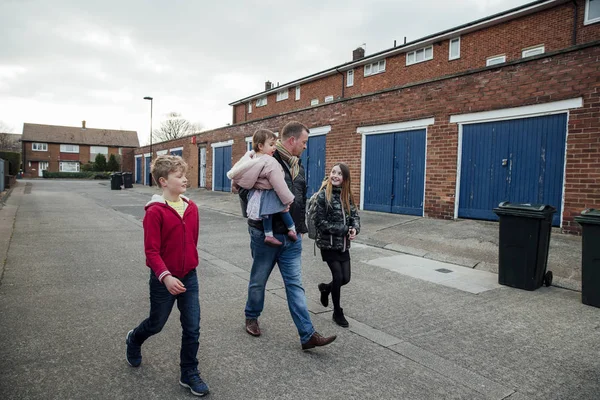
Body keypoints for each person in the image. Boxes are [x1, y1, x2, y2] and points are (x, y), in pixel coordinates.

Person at [240, 121, 337, 350]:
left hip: (292, 237)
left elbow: (300, 199)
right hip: (265, 235)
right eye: (304, 142)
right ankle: (251, 316)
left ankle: (307, 334)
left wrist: (301, 228)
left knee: (295, 285)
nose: (305, 147)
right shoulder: (265, 160)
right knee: (258, 281)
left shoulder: (298, 166)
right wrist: (257, 218)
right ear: (292, 140)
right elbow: (243, 189)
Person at [125, 155, 209, 397]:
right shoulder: (155, 212)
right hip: (164, 280)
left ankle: (189, 372)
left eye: (184, 175)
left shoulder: (192, 208)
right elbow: (151, 251)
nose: (185, 179)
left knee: (192, 327)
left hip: (189, 278)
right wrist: (165, 276)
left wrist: (189, 265)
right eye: (179, 176)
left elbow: (192, 241)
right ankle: (134, 339)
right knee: (157, 323)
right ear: (163, 181)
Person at [227, 129, 297, 247]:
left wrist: (235, 186)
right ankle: (292, 229)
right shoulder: (269, 161)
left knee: (266, 214)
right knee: (284, 210)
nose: (274, 148)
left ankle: (268, 235)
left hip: (255, 195)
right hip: (270, 193)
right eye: (271, 145)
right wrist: (288, 200)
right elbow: (279, 183)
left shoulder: (249, 158)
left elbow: (238, 173)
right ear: (260, 146)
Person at [315, 163, 360, 328]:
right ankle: (337, 312)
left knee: (346, 278)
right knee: (338, 277)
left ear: (345, 178)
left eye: (339, 174)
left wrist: (354, 228)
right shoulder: (323, 196)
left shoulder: (347, 196)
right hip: (328, 244)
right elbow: (320, 222)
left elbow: (355, 216)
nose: (335, 175)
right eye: (333, 172)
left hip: (343, 245)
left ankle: (326, 288)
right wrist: (343, 229)